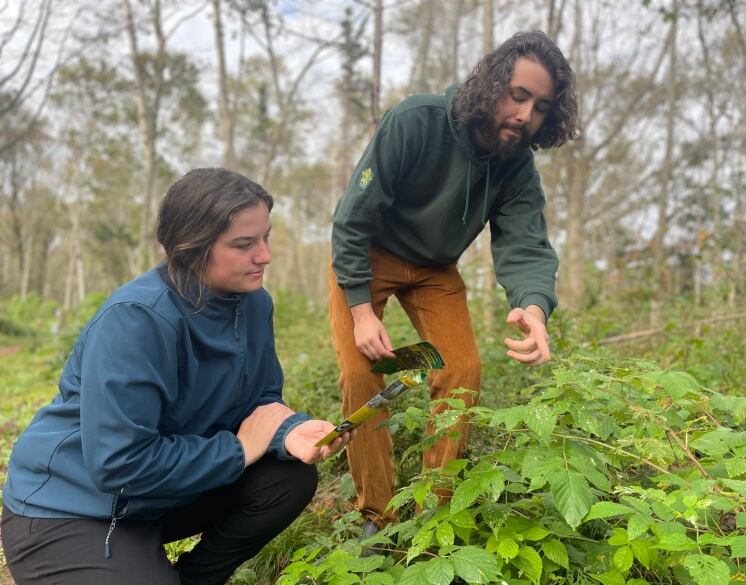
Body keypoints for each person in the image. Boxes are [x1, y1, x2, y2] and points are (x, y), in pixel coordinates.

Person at [1, 168, 351, 585]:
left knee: (287, 477)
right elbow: (119, 464)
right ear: (192, 248)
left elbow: (260, 400)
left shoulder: (254, 305)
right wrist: (239, 450)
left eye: (266, 237)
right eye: (244, 244)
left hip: (155, 498)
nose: (264, 255)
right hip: (72, 510)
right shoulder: (136, 320)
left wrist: (287, 432)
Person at [328, 30, 579, 533]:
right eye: (518, 96)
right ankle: (373, 514)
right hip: (370, 254)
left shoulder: (517, 169)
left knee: (461, 369)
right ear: (492, 86)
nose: (526, 115)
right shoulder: (415, 121)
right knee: (360, 372)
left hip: (434, 270)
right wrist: (360, 311)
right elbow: (352, 219)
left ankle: (432, 511)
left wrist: (533, 306)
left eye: (541, 107)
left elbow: (525, 244)